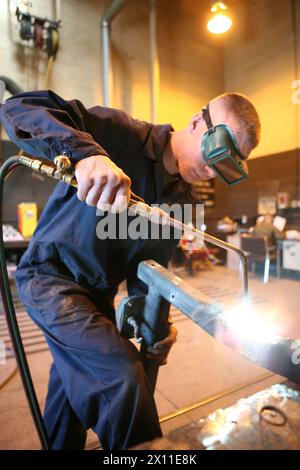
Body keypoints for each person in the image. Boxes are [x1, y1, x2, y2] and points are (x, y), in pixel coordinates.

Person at [0, 91, 261, 450]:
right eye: (216, 152)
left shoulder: (181, 202)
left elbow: (149, 269)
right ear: (197, 122)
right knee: (121, 375)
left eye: (227, 165)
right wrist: (86, 154)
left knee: (73, 387)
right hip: (50, 279)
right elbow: (18, 108)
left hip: (96, 295)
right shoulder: (118, 133)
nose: (213, 170)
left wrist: (157, 321)